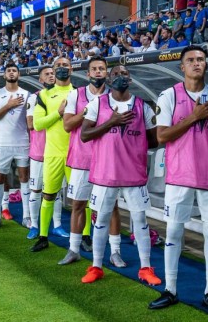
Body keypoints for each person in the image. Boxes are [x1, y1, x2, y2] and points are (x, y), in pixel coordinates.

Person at [149, 45, 208, 313]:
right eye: (191, 60)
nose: (197, 63)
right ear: (182, 67)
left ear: (206, 65)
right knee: (174, 230)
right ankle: (170, 289)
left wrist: (206, 142)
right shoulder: (169, 96)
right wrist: (194, 118)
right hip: (180, 175)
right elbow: (161, 136)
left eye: (201, 59)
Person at [79, 64, 160, 285]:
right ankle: (96, 266)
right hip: (105, 174)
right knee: (101, 220)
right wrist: (111, 122)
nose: (120, 77)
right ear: (109, 78)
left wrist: (133, 146)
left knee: (140, 221)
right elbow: (84, 135)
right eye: (115, 74)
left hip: (133, 175)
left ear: (130, 79)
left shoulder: (143, 107)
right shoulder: (97, 103)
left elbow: (154, 140)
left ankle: (145, 268)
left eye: (124, 74)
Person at [59, 56, 125, 267]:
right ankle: (74, 249)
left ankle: (115, 251)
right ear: (87, 73)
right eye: (94, 69)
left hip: (107, 160)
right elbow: (68, 125)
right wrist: (89, 112)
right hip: (80, 158)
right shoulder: (75, 95)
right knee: (78, 204)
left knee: (111, 206)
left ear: (107, 73)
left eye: (102, 69)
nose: (98, 72)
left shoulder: (115, 96)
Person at [31, 57, 74, 252]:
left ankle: (86, 236)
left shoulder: (79, 93)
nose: (62, 68)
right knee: (48, 195)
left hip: (77, 155)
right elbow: (37, 124)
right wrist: (58, 113)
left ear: (71, 69)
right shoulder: (43, 95)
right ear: (54, 70)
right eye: (58, 66)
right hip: (53, 153)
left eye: (65, 65)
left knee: (83, 199)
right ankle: (43, 236)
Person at [0, 62, 31, 229]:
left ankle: (26, 216)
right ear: (4, 75)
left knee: (24, 178)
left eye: (14, 71)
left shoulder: (27, 94)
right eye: (9, 71)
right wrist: (8, 105)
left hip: (22, 142)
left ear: (18, 75)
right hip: (3, 143)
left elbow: (30, 120)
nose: (12, 73)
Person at [25, 66, 67, 239]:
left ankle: (57, 225)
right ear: (40, 80)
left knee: (55, 191)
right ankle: (35, 225)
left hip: (59, 150)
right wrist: (57, 114)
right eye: (47, 74)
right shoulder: (35, 98)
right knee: (36, 190)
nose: (51, 76)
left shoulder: (68, 95)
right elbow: (30, 124)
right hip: (39, 152)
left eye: (52, 73)